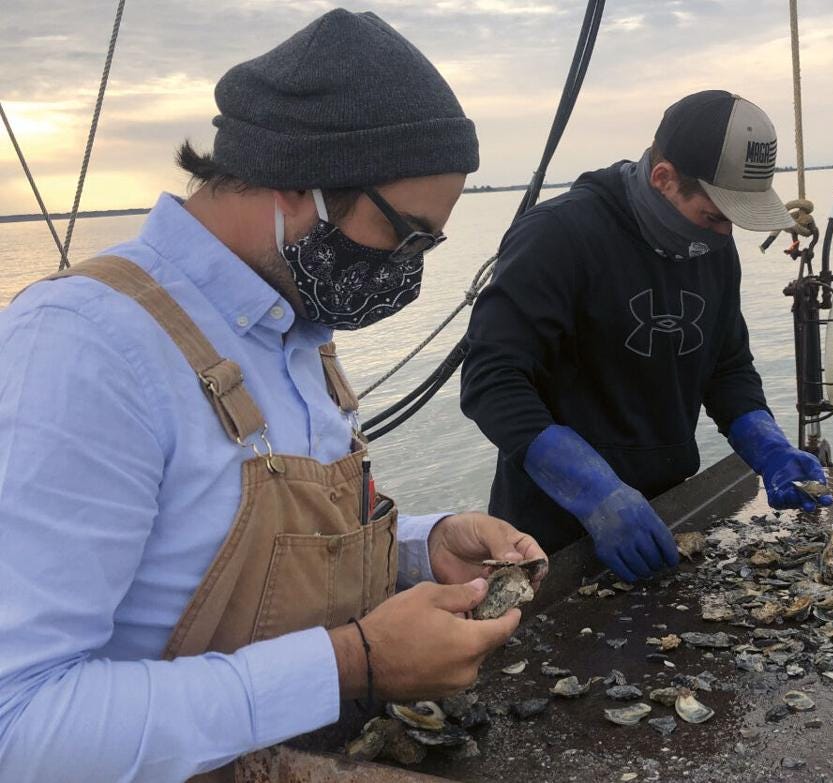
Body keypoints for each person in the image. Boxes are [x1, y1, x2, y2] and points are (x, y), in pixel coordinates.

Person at [0, 10, 544, 782]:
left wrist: (423, 547)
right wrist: (354, 660)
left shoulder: (292, 327)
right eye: (404, 234)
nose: (410, 269)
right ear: (297, 181)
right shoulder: (84, 347)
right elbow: (19, 724)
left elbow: (219, 551)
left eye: (431, 245)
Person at [460, 90, 833, 584]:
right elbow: (492, 380)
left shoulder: (711, 245)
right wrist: (595, 494)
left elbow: (726, 366)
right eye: (715, 215)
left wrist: (768, 449)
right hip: (548, 529)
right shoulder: (558, 235)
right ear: (664, 179)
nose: (724, 236)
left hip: (666, 513)